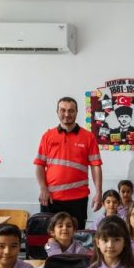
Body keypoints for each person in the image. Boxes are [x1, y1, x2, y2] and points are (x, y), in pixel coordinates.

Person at [34, 96, 103, 232]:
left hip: (78, 200)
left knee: (77, 237)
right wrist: (43, 189)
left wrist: (99, 192)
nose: (67, 114)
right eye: (63, 110)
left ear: (76, 112)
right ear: (57, 112)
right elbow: (39, 165)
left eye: (71, 111)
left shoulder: (88, 137)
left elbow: (96, 166)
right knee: (50, 237)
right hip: (51, 199)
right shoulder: (47, 136)